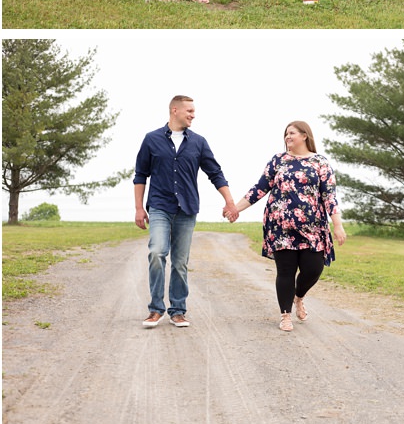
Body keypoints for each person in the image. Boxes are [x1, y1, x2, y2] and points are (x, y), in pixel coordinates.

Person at [134, 95, 239, 327]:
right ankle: (155, 309)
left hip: (187, 208)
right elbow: (140, 175)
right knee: (157, 252)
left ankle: (178, 310)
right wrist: (139, 208)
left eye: (193, 111)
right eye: (189, 111)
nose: (193, 115)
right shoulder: (151, 140)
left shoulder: (198, 142)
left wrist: (230, 201)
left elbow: (215, 173)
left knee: (180, 262)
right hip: (160, 206)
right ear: (174, 110)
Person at [234, 120, 346, 332]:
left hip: (313, 228)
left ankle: (299, 297)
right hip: (281, 227)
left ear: (305, 135)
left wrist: (337, 225)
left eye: (292, 133)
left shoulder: (320, 163)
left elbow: (329, 196)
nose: (287, 137)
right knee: (285, 271)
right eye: (286, 134)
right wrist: (236, 208)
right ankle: (285, 315)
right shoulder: (278, 161)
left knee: (314, 268)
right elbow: (259, 188)